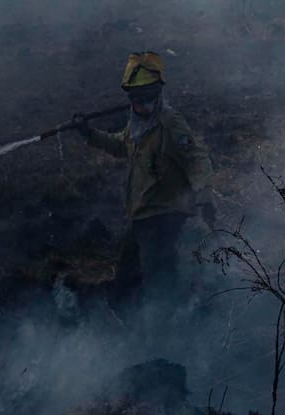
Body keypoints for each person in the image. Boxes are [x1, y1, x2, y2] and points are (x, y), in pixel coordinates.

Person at [72, 51, 214, 309]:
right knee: (127, 274)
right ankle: (129, 322)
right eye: (138, 100)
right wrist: (89, 133)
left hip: (165, 215)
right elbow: (120, 146)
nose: (144, 106)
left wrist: (203, 195)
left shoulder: (170, 123)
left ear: (157, 95)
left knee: (157, 279)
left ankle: (161, 329)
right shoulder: (138, 124)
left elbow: (197, 158)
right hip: (142, 214)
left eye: (149, 99)